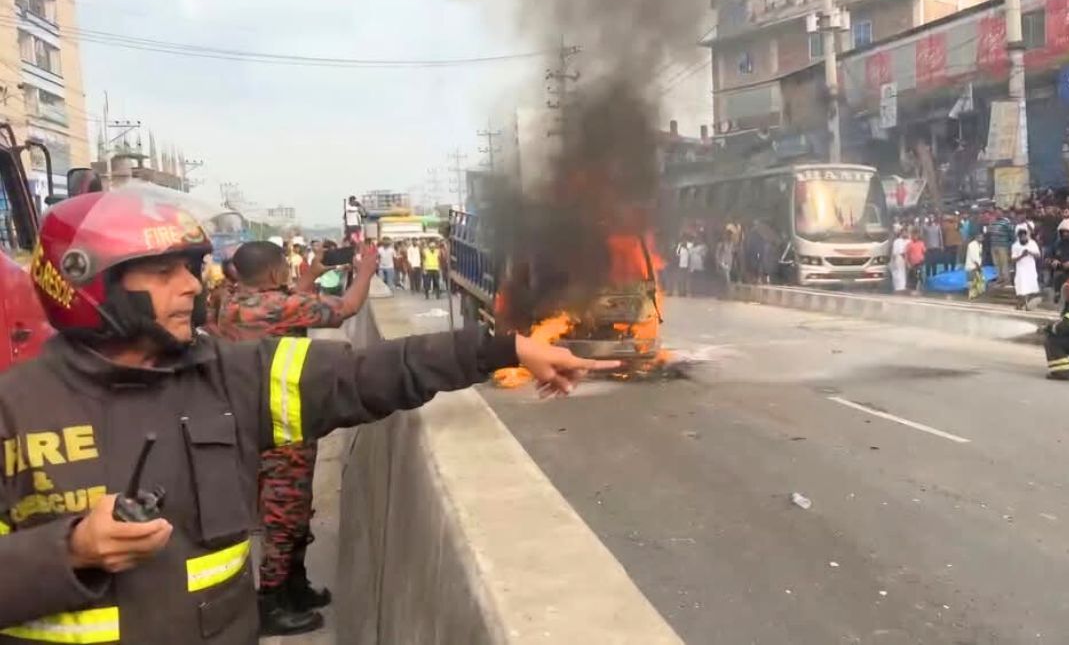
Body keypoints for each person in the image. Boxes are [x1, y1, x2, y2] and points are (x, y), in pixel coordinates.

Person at [0, 187, 616, 644]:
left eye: (190, 268)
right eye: (162, 274)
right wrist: (72, 550)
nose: (190, 285)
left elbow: (368, 373)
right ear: (88, 286)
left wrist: (503, 348)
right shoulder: (14, 411)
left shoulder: (233, 375)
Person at [217, 241, 375, 635]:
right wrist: (367, 270)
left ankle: (295, 587)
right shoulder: (273, 305)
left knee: (295, 508)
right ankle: (272, 602)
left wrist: (309, 275)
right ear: (273, 274)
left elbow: (286, 305)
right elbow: (345, 309)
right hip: (280, 425)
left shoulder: (236, 302)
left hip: (265, 419)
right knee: (283, 514)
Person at [1011, 227, 1041, 311]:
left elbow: (1038, 255)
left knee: (1031, 286)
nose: (1023, 238)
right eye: (1021, 237)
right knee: (1021, 286)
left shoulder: (1032, 243)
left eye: (1025, 236)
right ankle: (1021, 304)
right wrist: (1022, 256)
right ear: (1019, 237)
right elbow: (1013, 259)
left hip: (1030, 268)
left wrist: (1030, 252)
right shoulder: (1015, 245)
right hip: (1021, 269)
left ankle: (1029, 305)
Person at [987, 210, 1014, 285]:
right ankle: (999, 278)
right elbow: (989, 232)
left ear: (1002, 213)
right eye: (996, 213)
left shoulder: (1006, 222)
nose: (998, 214)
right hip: (993, 245)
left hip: (1003, 245)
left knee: (1004, 263)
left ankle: (1006, 279)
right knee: (996, 263)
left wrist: (1010, 245)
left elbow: (1011, 233)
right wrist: (990, 224)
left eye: (999, 213)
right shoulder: (993, 222)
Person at [964, 231, 985, 299]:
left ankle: (975, 295)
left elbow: (979, 256)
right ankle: (971, 295)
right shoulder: (972, 245)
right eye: (980, 237)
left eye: (982, 237)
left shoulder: (980, 245)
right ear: (976, 237)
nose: (981, 238)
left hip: (977, 266)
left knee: (977, 282)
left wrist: (980, 266)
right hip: (971, 266)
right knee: (971, 282)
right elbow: (974, 257)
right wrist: (978, 267)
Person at [905, 228, 926, 294]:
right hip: (912, 264)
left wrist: (923, 258)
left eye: (916, 235)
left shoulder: (921, 243)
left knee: (918, 275)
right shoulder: (909, 244)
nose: (915, 237)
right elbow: (906, 255)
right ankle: (912, 289)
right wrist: (907, 263)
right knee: (912, 277)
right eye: (914, 235)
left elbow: (924, 251)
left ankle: (920, 288)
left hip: (919, 263)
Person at [889, 228, 909, 293]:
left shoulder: (908, 241)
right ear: (901, 233)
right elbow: (895, 252)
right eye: (904, 232)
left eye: (906, 232)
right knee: (897, 273)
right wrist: (893, 260)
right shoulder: (897, 241)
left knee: (902, 273)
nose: (905, 234)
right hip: (898, 258)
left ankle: (902, 287)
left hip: (904, 258)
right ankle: (898, 287)